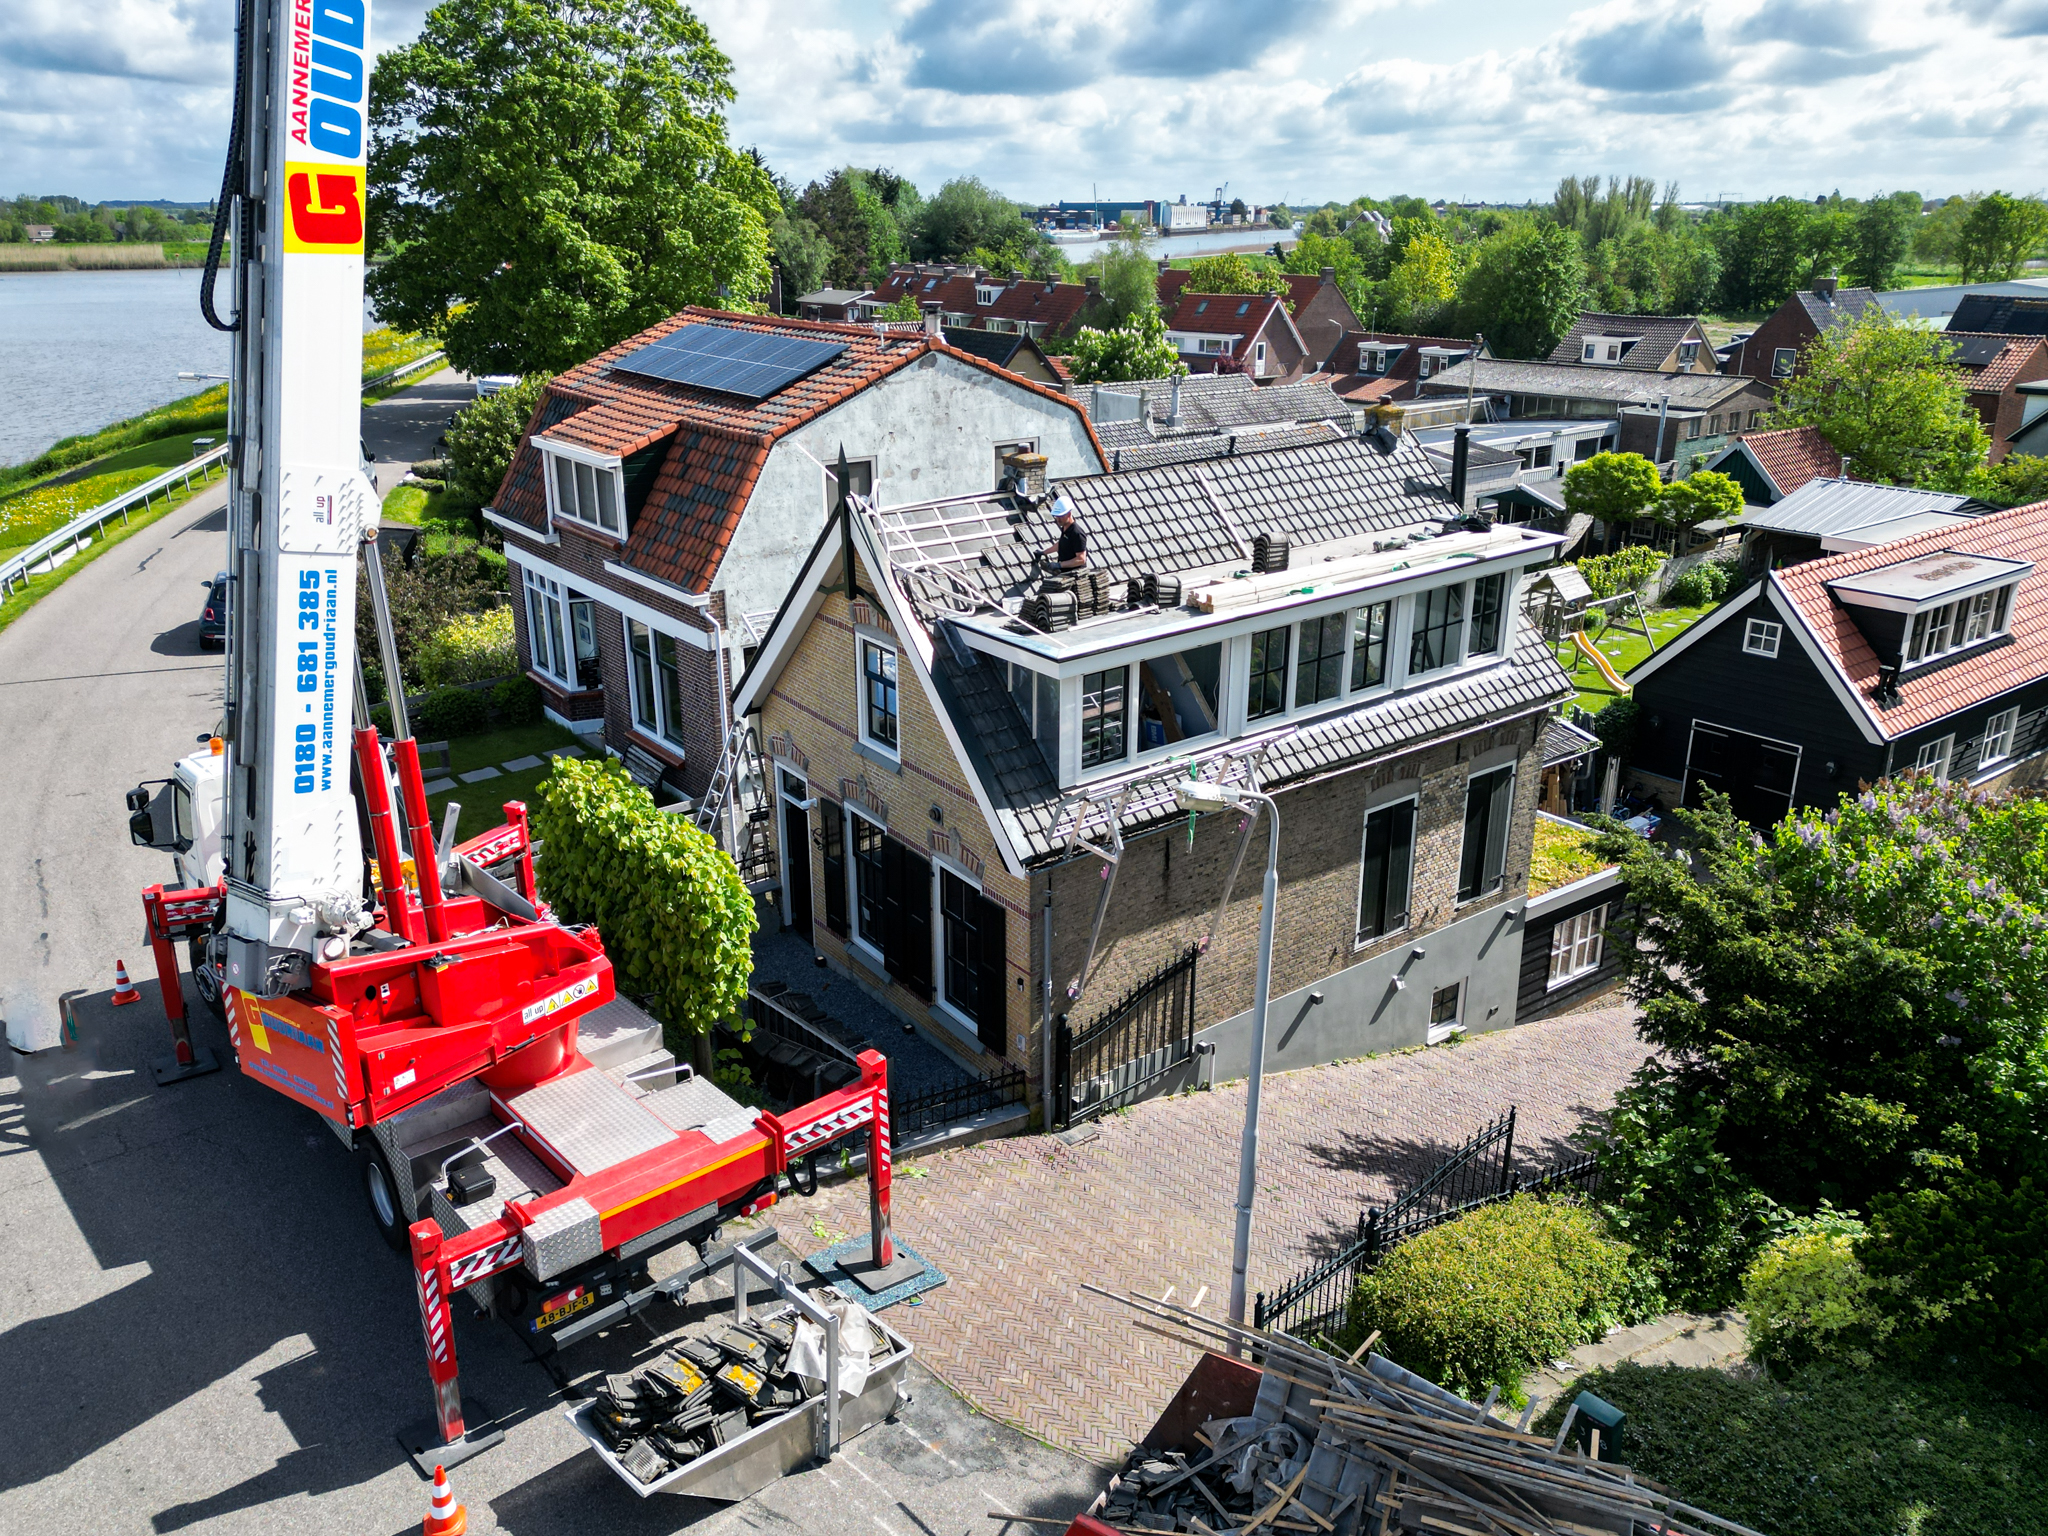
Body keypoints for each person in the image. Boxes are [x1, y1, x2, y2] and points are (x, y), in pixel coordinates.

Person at [1043, 496, 1088, 571]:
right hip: (1066, 573)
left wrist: (1059, 565)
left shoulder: (1077, 533)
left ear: (1069, 514)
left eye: (1061, 516)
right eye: (1057, 516)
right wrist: (1044, 552)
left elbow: (1081, 559)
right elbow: (1062, 543)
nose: (1058, 519)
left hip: (1076, 576)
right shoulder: (1065, 528)